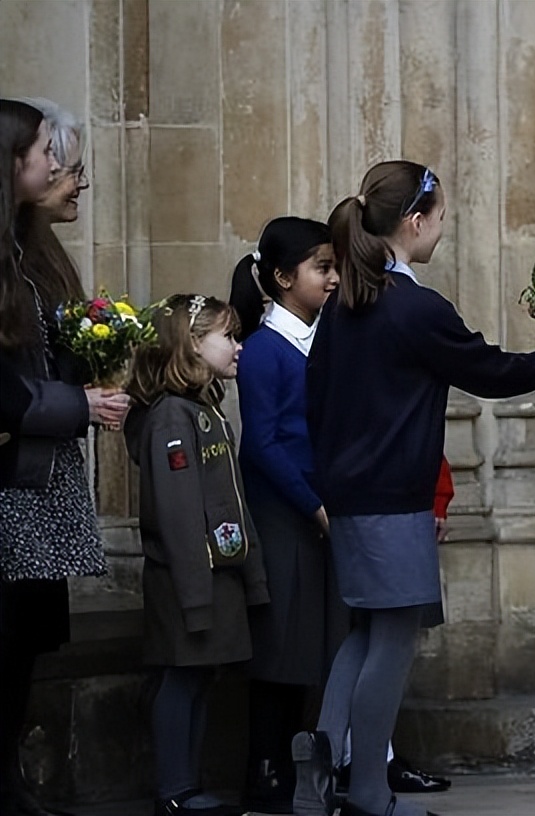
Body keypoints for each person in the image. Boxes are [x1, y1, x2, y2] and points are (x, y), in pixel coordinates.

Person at [292, 160, 535, 816]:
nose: (443, 228)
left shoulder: (343, 306)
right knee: (393, 641)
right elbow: (485, 369)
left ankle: (319, 758)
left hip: (349, 493)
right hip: (394, 499)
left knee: (365, 633)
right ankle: (367, 791)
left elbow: (317, 400)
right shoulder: (412, 307)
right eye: (442, 216)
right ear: (414, 221)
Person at [0, 98, 129, 816]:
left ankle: (12, 785)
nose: (59, 166)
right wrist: (78, 405)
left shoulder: (33, 253)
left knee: (23, 645)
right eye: (48, 152)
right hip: (9, 482)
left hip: (37, 480)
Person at [124, 294, 269, 816]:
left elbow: (230, 498)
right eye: (228, 337)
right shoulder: (170, 418)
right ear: (191, 344)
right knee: (181, 679)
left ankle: (188, 784)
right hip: (189, 579)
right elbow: (180, 515)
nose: (238, 347)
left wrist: (250, 576)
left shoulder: (203, 409)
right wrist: (195, 595)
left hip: (217, 574)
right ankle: (174, 788)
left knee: (202, 678)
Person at [229, 217, 347, 812]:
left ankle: (310, 774)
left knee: (317, 646)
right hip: (285, 514)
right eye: (321, 268)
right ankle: (264, 772)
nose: (332, 279)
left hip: (319, 513)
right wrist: (313, 504)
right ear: (281, 278)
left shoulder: (322, 339)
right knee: (279, 649)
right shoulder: (265, 352)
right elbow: (263, 444)